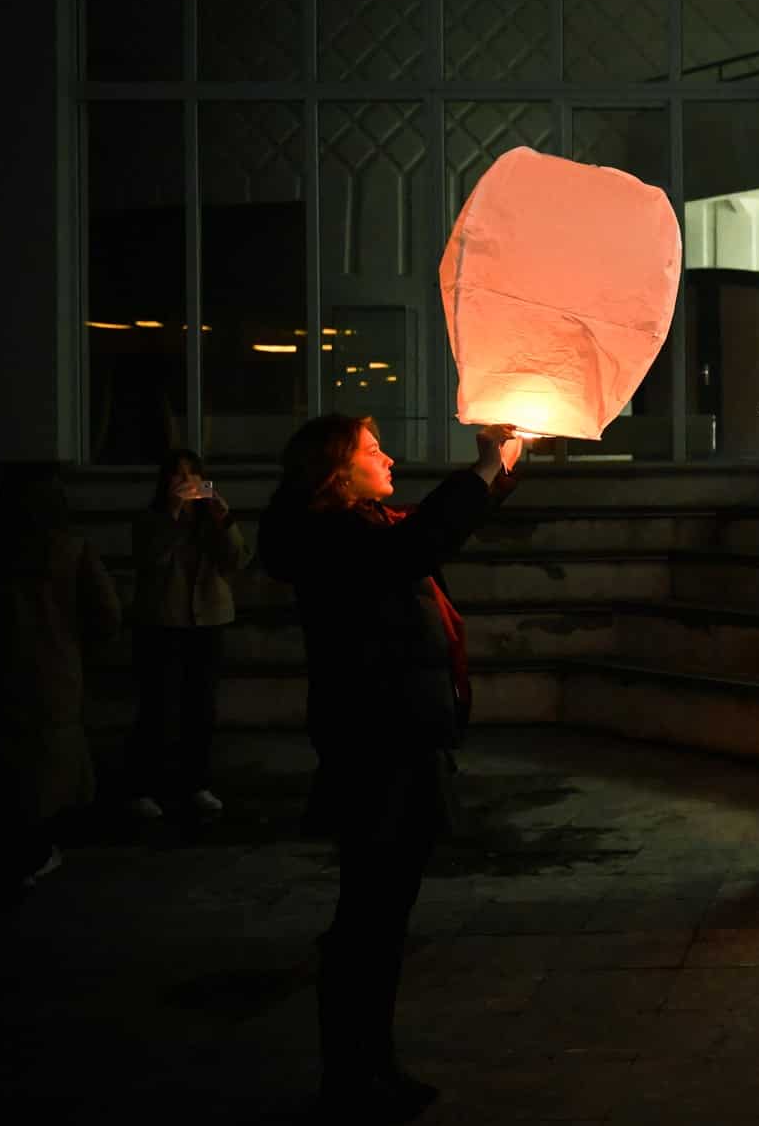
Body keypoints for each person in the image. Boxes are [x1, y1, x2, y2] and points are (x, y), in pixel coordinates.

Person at [258, 415, 520, 1122]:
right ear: (336, 471)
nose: (390, 456)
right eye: (373, 450)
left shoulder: (361, 525)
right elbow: (419, 542)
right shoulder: (335, 536)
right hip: (378, 743)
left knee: (383, 913)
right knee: (368, 918)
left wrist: (499, 465)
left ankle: (372, 1063)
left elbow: (427, 532)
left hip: (399, 737)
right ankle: (353, 1073)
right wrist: (483, 470)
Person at [0, 464, 122, 888]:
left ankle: (16, 852)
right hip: (55, 673)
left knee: (7, 767)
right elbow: (106, 615)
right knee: (49, 771)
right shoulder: (72, 550)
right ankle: (34, 853)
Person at [126, 449, 248, 819]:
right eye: (176, 476)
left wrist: (223, 519)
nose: (185, 483)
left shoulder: (210, 520)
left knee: (201, 708)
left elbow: (238, 561)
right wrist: (173, 515)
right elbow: (151, 560)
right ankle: (146, 787)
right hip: (163, 621)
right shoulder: (151, 520)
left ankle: (196, 784)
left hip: (208, 620)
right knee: (158, 707)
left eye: (190, 475)